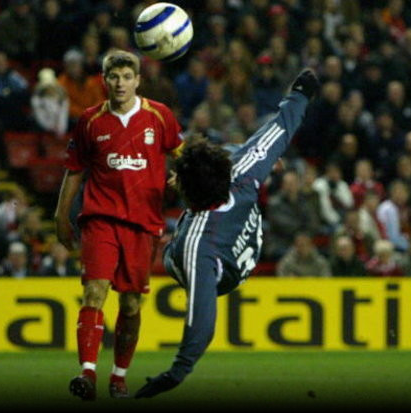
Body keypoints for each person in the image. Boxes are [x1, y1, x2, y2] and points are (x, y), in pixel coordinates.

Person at [134, 69, 320, 398]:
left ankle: (165, 232)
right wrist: (301, 94)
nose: (171, 179)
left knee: (172, 254)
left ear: (190, 196)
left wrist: (179, 369)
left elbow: (202, 318)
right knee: (242, 151)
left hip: (226, 270)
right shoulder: (242, 169)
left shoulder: (194, 249)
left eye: (177, 178)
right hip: (243, 234)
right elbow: (279, 128)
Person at [55, 50, 183, 400]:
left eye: (127, 77)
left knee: (130, 305)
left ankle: (119, 376)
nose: (120, 83)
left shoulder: (160, 116)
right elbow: (75, 169)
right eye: (114, 77)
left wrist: (182, 179)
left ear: (137, 80)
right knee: (95, 290)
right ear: (105, 80)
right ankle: (87, 374)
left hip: (143, 224)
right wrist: (60, 215)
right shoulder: (91, 120)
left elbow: (182, 156)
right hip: (101, 219)